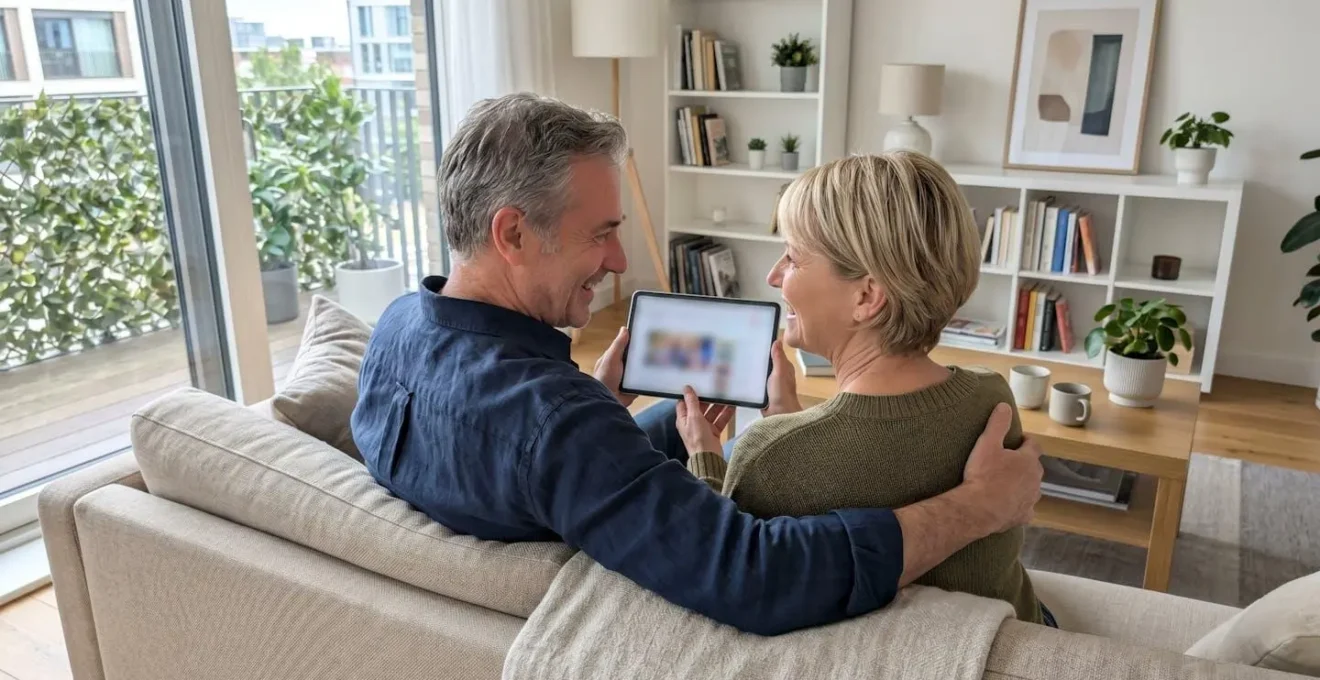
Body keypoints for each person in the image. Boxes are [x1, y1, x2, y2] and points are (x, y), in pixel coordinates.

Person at [350, 92, 1044, 636]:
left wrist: (604, 406)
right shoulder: (556, 424)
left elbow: (535, 452)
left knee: (659, 416)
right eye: (602, 234)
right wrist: (978, 506)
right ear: (512, 232)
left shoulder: (397, 330)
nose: (621, 262)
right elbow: (759, 575)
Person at [676, 152, 1053, 626]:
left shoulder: (766, 454)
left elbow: (720, 568)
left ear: (867, 297)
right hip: (1021, 626)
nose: (774, 276)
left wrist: (704, 456)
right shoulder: (992, 398)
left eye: (792, 257)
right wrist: (788, 419)